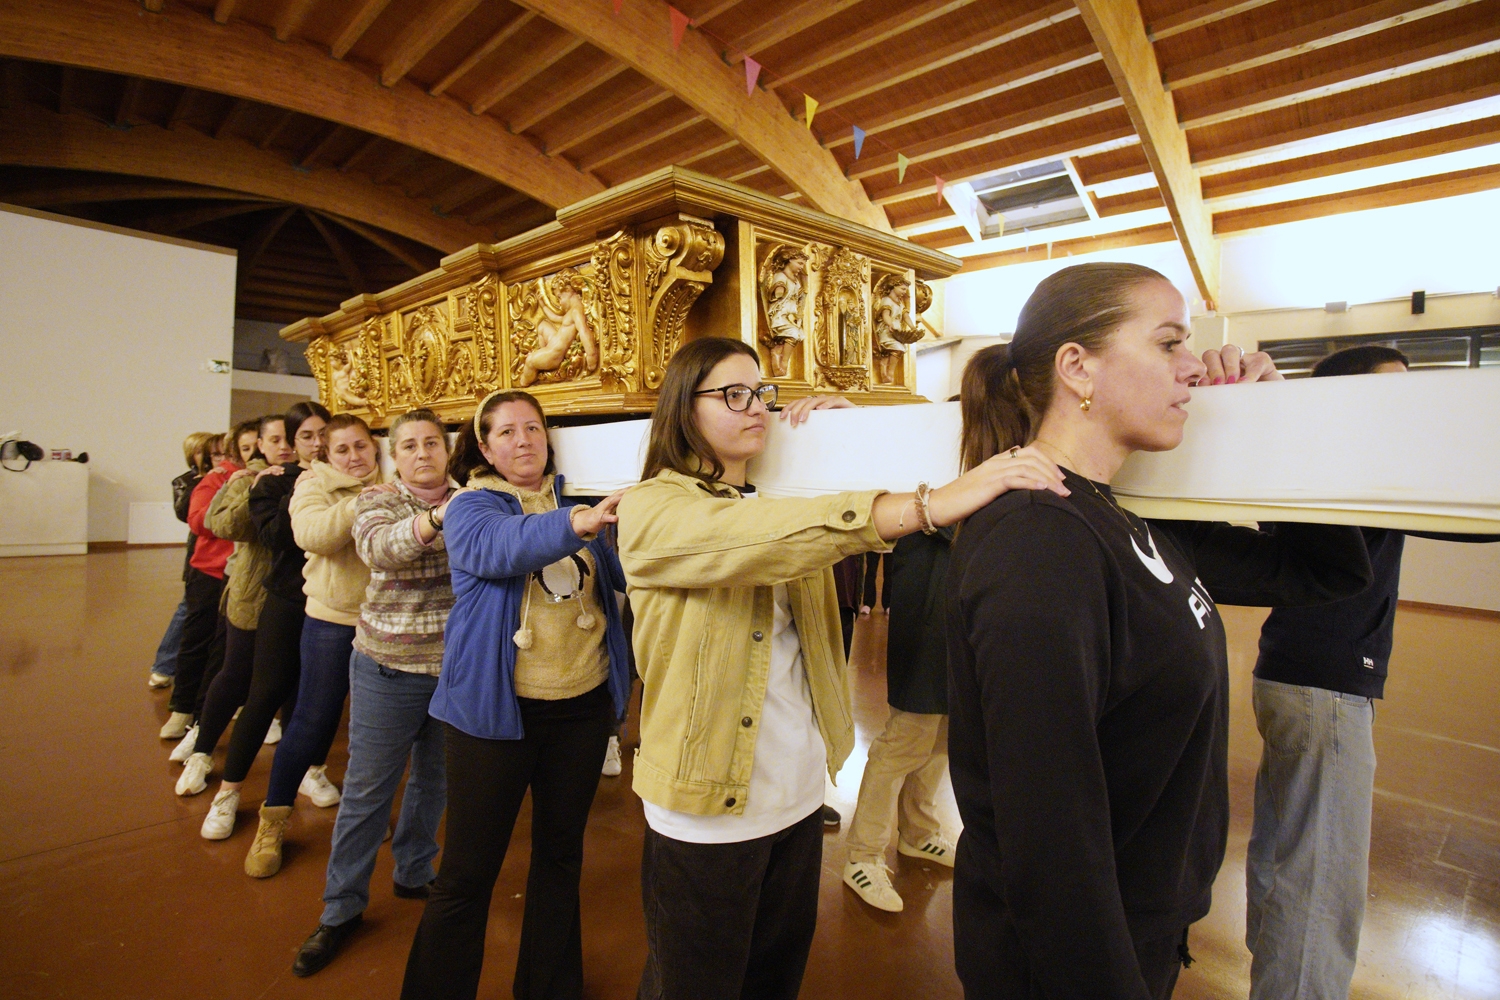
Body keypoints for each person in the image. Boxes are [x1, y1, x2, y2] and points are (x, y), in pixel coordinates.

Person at [944, 263, 1374, 1000]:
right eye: (1169, 343)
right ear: (1077, 367)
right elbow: (1048, 834)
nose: (1193, 368)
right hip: (1069, 959)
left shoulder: (1130, 519)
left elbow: (1325, 572)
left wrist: (1281, 419)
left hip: (1141, 922)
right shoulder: (1039, 544)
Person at [616, 336, 1067, 1000]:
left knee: (774, 980)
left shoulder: (779, 495)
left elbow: (813, 524)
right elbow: (759, 541)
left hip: (796, 795)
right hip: (706, 805)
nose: (756, 407)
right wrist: (929, 503)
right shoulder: (651, 508)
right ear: (684, 407)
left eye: (762, 393)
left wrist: (852, 437)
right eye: (733, 394)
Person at [1245, 345, 1500, 1000]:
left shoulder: (1323, 462)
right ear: (1350, 396)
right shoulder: (1355, 466)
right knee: (1320, 879)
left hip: (1290, 672)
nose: (1405, 404)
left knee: (1285, 848)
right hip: (1325, 686)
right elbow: (1475, 514)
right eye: (1392, 390)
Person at [400, 390, 632, 1000]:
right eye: (506, 432)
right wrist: (580, 523)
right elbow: (500, 547)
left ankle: (550, 988)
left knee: (560, 859)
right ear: (484, 447)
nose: (524, 440)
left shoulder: (576, 500)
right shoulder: (470, 506)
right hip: (493, 717)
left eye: (533, 427)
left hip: (580, 709)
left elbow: (624, 577)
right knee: (466, 874)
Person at [291, 409, 458, 977]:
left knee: (433, 782)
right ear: (394, 455)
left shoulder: (472, 498)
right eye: (409, 445)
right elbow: (382, 549)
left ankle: (413, 870)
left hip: (451, 675)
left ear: (446, 450)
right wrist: (438, 518)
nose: (422, 453)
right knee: (367, 793)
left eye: (432, 442)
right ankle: (340, 910)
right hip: (387, 670)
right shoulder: (377, 500)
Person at [181, 401, 330, 838]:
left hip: (329, 604)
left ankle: (311, 770)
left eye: (324, 435)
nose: (317, 444)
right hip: (278, 597)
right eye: (305, 436)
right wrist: (289, 487)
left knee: (313, 696)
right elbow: (269, 534)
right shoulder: (271, 481)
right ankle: (222, 782)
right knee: (256, 688)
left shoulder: (348, 479)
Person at [244, 413, 383, 877]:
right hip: (332, 621)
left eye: (360, 446)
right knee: (311, 720)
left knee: (372, 729)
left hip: (384, 623)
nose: (353, 456)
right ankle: (273, 819)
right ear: (327, 453)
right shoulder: (313, 484)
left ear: (374, 446)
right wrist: (364, 499)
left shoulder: (394, 479)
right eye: (342, 449)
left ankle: (362, 814)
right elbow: (313, 536)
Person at [170, 417, 282, 770]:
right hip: (221, 575)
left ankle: (254, 714)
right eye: (246, 448)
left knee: (264, 663)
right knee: (213, 652)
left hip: (273, 584)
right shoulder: (230, 479)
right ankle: (192, 720)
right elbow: (207, 521)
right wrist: (249, 487)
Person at [158, 431, 241, 740]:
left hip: (242, 575)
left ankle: (209, 710)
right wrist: (233, 501)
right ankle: (182, 707)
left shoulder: (263, 476)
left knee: (227, 648)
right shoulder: (216, 479)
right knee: (196, 641)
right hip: (209, 572)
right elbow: (199, 520)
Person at [148, 431, 220, 689]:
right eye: (201, 452)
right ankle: (164, 665)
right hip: (199, 556)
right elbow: (185, 513)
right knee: (188, 609)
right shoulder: (186, 481)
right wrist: (206, 483)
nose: (209, 457)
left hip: (218, 556)